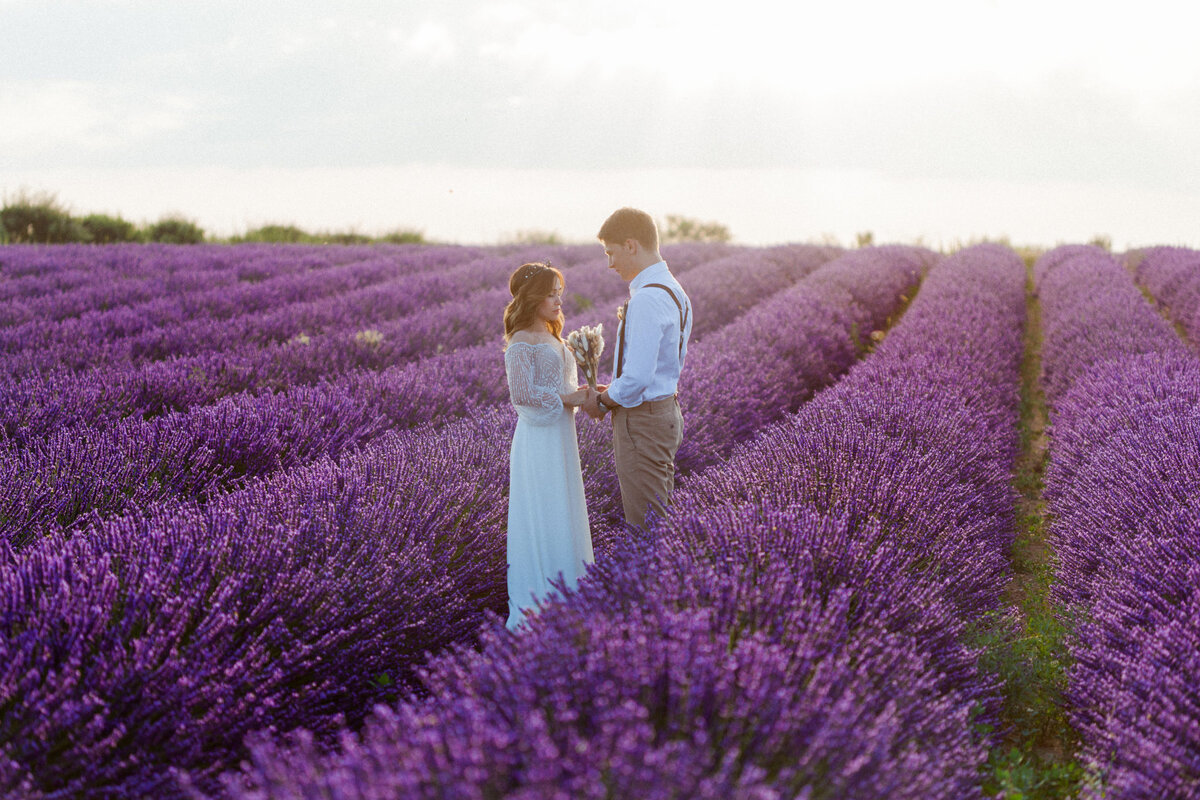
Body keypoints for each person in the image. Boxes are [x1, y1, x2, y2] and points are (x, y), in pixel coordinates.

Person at [582, 208, 693, 529]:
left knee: (645, 529)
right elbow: (656, 370)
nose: (610, 264)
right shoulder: (674, 291)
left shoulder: (646, 300)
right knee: (658, 519)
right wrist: (614, 390)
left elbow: (639, 378)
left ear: (631, 245)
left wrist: (601, 401)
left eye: (611, 253)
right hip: (663, 411)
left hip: (642, 421)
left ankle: (654, 580)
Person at [502, 261, 595, 630]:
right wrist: (571, 398)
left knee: (563, 504)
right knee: (544, 507)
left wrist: (588, 394)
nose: (559, 300)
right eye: (551, 293)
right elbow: (521, 394)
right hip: (538, 439)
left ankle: (571, 592)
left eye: (560, 292)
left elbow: (566, 387)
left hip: (560, 434)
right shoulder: (521, 341)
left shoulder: (555, 336)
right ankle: (542, 596)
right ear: (532, 296)